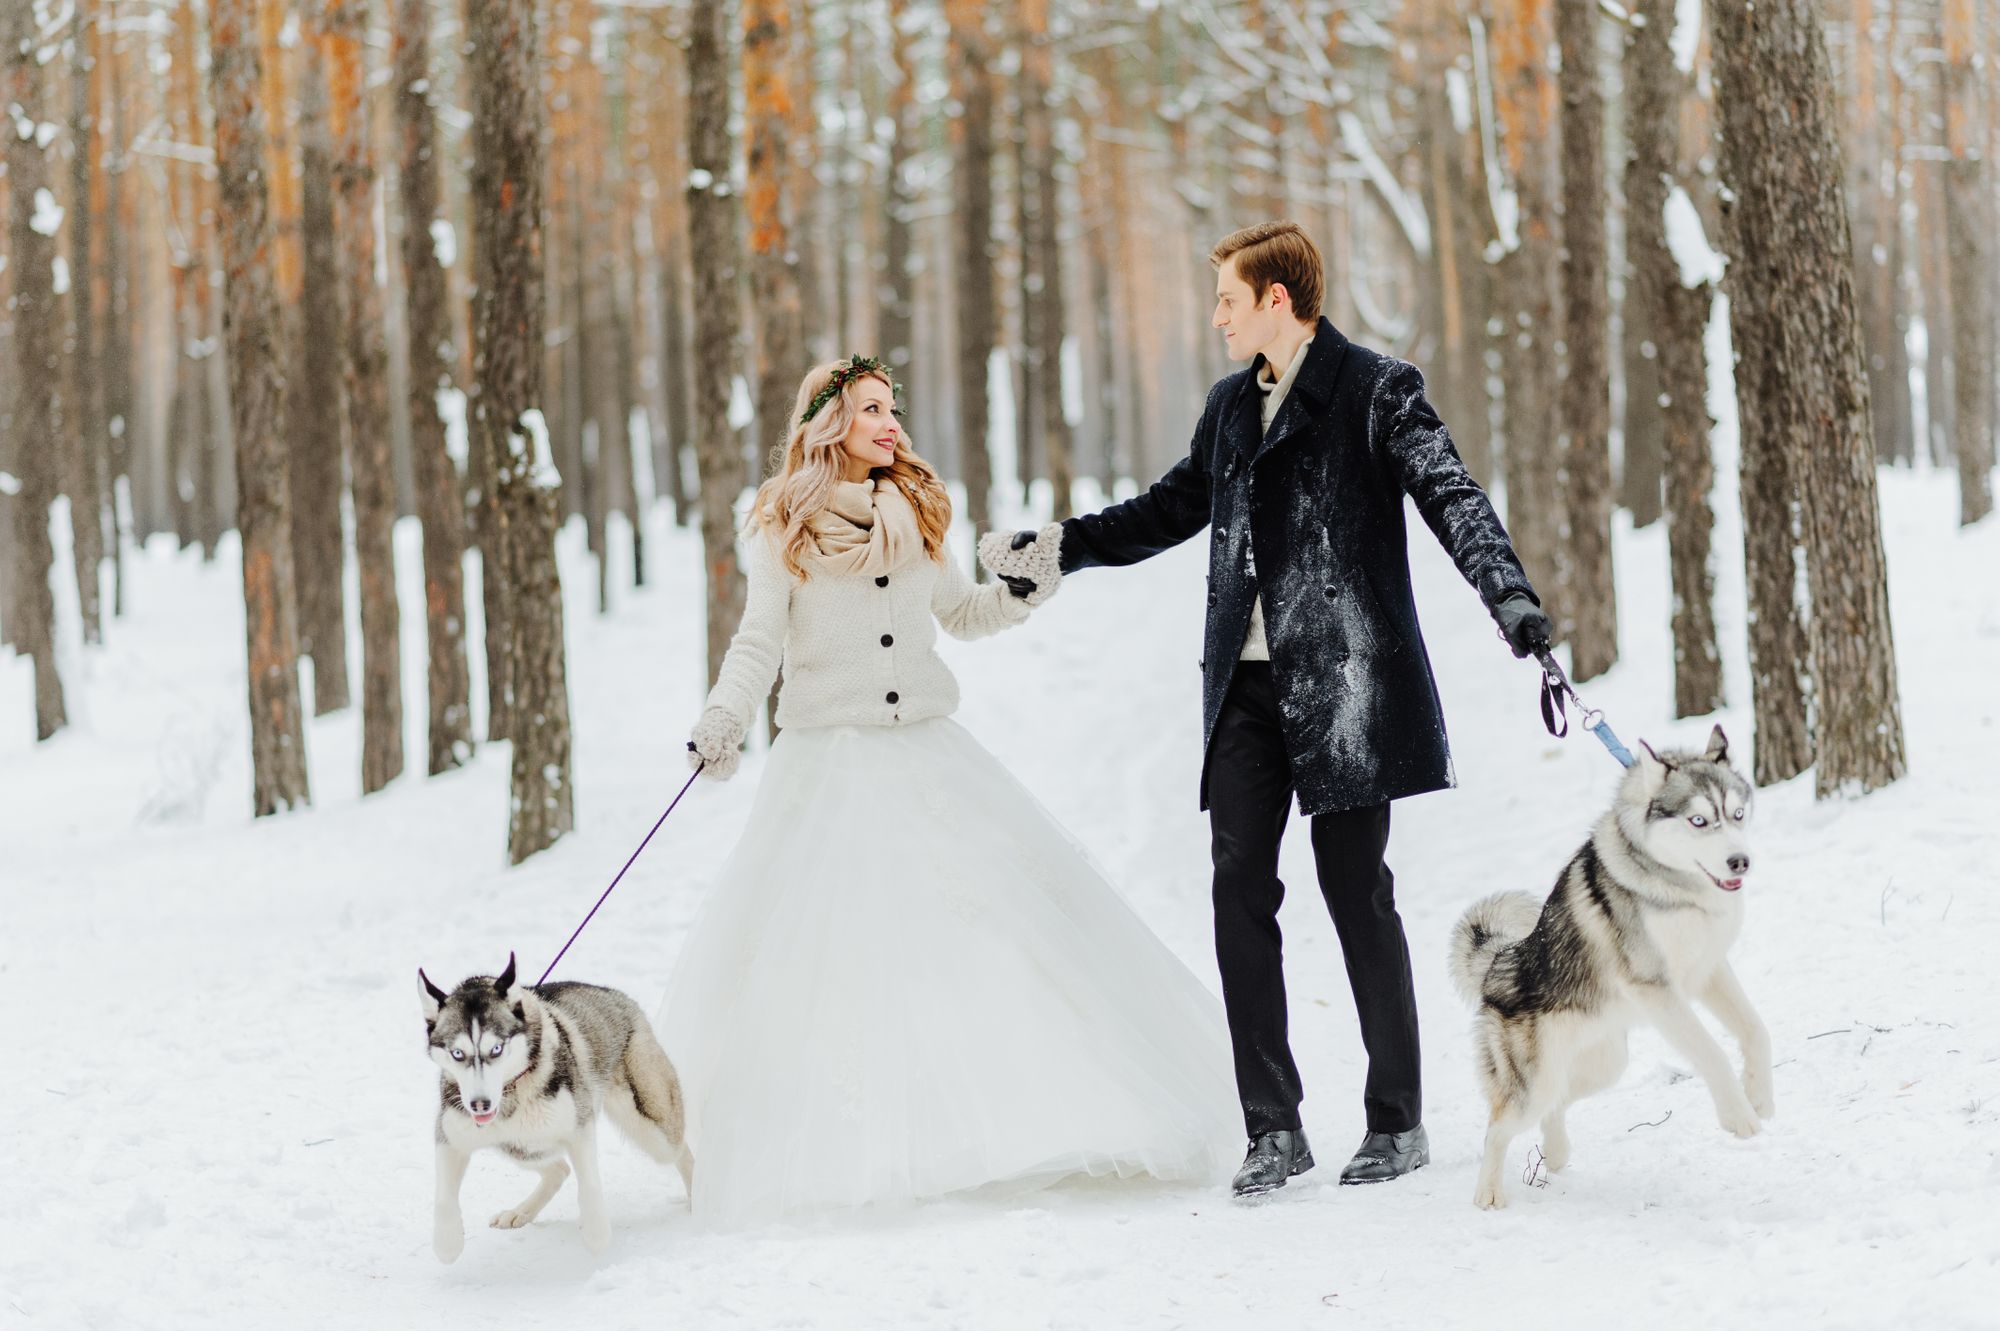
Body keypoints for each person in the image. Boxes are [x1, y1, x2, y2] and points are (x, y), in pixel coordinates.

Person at [982, 222, 1554, 1197]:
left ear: (1275, 301)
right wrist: (1052, 549)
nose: (1214, 316)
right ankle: (1272, 1126)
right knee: (1237, 890)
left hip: (1344, 685)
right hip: (1244, 693)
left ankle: (1396, 1117)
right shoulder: (1227, 408)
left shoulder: (1377, 391)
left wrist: (1508, 597)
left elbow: (1451, 495)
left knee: (1351, 890)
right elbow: (1166, 509)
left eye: (1226, 300)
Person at [659, 355, 1240, 1227]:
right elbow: (758, 643)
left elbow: (963, 616)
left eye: (892, 408)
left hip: (927, 755)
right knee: (838, 959)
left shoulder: (916, 512)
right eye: (870, 411)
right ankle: (839, 1145)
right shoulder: (782, 525)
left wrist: (1023, 589)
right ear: (828, 424)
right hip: (830, 763)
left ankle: (1005, 1123)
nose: (890, 424)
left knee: (987, 935)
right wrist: (722, 717)